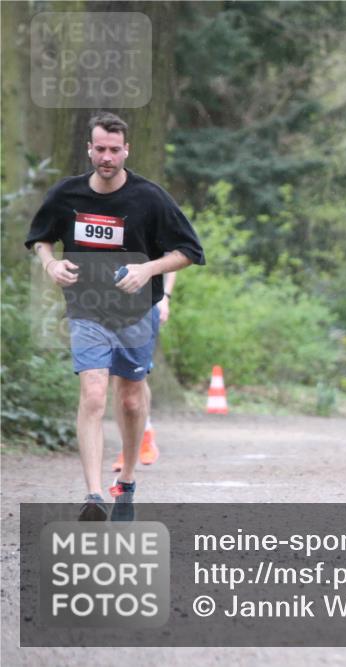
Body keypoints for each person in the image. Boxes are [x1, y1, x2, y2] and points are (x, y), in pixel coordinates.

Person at [25, 111, 205, 521]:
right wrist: (50, 265)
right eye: (100, 149)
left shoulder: (150, 197)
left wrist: (147, 269)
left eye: (114, 150)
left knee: (129, 399)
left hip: (135, 312)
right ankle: (93, 494)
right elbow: (40, 240)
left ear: (127, 150)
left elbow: (189, 252)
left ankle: (125, 481)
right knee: (92, 394)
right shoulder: (67, 195)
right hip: (87, 309)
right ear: (89, 149)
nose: (107, 157)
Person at [110, 270, 174, 472]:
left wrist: (165, 297)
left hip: (146, 304)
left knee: (137, 378)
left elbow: (172, 256)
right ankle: (127, 446)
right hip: (109, 304)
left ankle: (145, 435)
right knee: (118, 379)